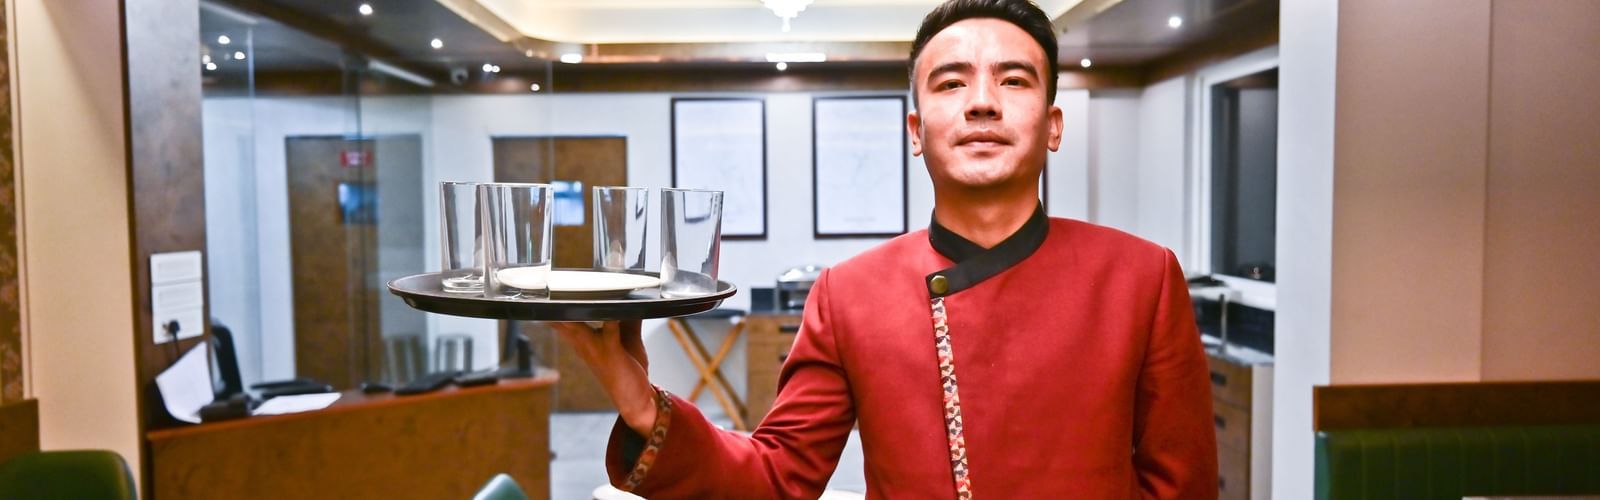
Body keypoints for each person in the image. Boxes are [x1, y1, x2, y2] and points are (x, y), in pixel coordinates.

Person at [552, 0, 1218, 497]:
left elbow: (1181, 487)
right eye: (951, 83)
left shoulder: (1142, 277)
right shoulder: (849, 293)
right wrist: (641, 404)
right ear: (915, 131)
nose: (982, 103)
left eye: (1014, 81)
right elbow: (778, 477)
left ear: (1052, 125)